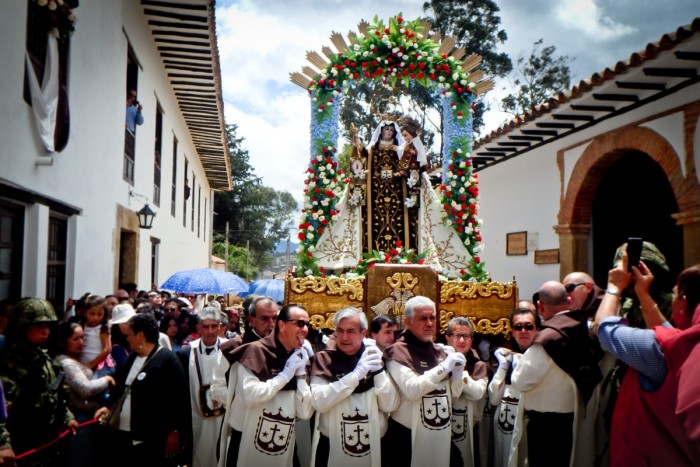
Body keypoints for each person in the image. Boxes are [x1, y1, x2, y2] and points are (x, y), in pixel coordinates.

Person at [594, 255, 700, 465]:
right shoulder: (687, 344)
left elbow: (605, 330)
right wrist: (643, 295)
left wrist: (614, 287)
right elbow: (671, 337)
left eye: (675, 294)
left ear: (683, 303)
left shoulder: (659, 352)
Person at [510, 281, 603, 467]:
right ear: (568, 301)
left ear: (540, 307)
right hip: (575, 419)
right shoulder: (584, 331)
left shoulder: (548, 338)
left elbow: (520, 381)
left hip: (546, 426)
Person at [222, 304, 313, 466]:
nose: (305, 329)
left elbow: (305, 413)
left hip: (282, 438)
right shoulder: (255, 351)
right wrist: (284, 375)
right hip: (246, 436)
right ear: (282, 325)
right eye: (299, 323)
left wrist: (300, 375)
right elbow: (250, 396)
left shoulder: (297, 356)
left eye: (307, 324)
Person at [95, 313, 188, 467]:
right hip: (124, 434)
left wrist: (174, 431)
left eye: (130, 334)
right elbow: (120, 388)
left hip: (152, 439)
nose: (127, 338)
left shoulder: (168, 360)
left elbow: (178, 399)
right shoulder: (132, 358)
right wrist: (107, 406)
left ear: (140, 335)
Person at [309, 307, 399, 466]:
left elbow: (390, 404)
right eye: (340, 330)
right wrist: (356, 375)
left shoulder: (376, 356)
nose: (344, 337)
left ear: (363, 333)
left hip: (373, 445)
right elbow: (319, 402)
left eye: (350, 331)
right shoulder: (323, 359)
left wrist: (378, 370)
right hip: (331, 444)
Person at [384, 296, 466, 467]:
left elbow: (452, 398)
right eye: (423, 318)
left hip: (439, 432)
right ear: (408, 321)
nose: (430, 323)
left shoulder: (440, 350)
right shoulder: (397, 351)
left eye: (432, 318)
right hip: (407, 438)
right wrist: (444, 367)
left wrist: (458, 375)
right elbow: (413, 390)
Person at [0, 298, 78, 466]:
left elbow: (54, 393)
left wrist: (67, 417)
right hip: (20, 447)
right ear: (22, 327)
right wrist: (3, 445)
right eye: (39, 326)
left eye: (47, 326)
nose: (46, 332)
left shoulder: (45, 360)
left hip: (48, 446)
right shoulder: (9, 366)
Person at [53, 322, 115, 467]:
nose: (81, 342)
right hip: (78, 418)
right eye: (76, 339)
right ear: (63, 341)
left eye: (82, 338)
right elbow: (85, 388)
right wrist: (106, 380)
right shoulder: (65, 363)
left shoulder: (75, 359)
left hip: (88, 416)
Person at [488, 308, 541, 467]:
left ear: (537, 329)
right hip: (504, 432)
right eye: (518, 327)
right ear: (512, 331)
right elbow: (494, 398)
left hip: (528, 430)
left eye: (528, 326)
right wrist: (503, 366)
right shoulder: (507, 357)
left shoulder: (543, 356)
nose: (523, 331)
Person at [176, 307, 226, 467]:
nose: (210, 331)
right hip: (196, 414)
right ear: (198, 329)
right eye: (205, 326)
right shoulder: (186, 352)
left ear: (220, 327)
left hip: (224, 414)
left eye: (214, 326)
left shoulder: (230, 348)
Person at [444, 317, 489, 467]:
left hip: (468, 428)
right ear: (448, 338)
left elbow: (477, 393)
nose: (462, 340)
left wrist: (460, 370)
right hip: (441, 425)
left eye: (467, 336)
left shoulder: (478, 364)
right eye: (457, 335)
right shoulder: (439, 359)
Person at [79, 295, 113, 375]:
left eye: (99, 314)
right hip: (83, 362)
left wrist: (92, 364)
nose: (95, 317)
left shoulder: (102, 328)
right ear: (85, 313)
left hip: (99, 365)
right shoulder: (82, 326)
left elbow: (107, 349)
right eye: (92, 314)